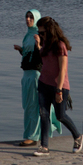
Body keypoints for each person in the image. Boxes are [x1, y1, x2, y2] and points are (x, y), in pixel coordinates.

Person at [33, 16, 83, 156]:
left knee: (60, 115)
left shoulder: (60, 46)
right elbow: (44, 59)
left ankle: (78, 137)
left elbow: (62, 70)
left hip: (58, 86)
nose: (40, 34)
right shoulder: (45, 44)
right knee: (43, 114)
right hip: (43, 83)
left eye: (42, 32)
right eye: (39, 32)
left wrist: (59, 90)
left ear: (50, 31)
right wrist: (38, 46)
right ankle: (44, 146)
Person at [14, 10, 61, 146]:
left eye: (31, 17)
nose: (28, 19)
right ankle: (37, 132)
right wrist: (21, 50)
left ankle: (32, 137)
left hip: (36, 73)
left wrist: (39, 45)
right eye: (27, 17)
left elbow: (45, 56)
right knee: (27, 105)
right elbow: (28, 55)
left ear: (36, 19)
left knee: (34, 105)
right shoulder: (27, 35)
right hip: (26, 74)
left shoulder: (40, 35)